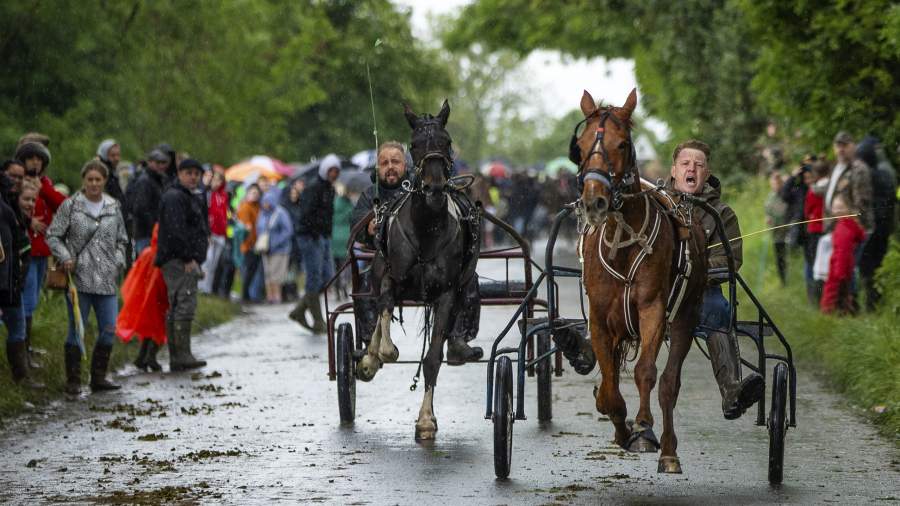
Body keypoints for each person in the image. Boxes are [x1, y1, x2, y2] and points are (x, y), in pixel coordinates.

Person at [667, 139, 764, 420]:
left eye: (698, 165)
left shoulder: (722, 214)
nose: (692, 169)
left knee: (718, 309)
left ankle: (732, 390)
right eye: (685, 164)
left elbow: (730, 261)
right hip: (657, 292)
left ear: (706, 174)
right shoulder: (656, 207)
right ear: (674, 170)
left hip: (701, 292)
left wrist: (692, 270)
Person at [47, 160, 128, 393]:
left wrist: (119, 260)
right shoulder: (71, 206)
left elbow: (123, 240)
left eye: (98, 179)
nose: (94, 183)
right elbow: (53, 235)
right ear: (84, 180)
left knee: (109, 328)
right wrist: (65, 256)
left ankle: (99, 377)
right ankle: (73, 380)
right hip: (78, 279)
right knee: (76, 329)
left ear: (104, 181)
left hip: (106, 279)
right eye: (90, 179)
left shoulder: (113, 206)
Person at [15, 137, 66, 370]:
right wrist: (29, 221)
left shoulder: (45, 183)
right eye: (30, 158)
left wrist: (43, 189)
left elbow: (62, 206)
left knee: (33, 300)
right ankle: (21, 352)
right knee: (25, 299)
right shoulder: (16, 182)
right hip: (25, 249)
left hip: (42, 251)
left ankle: (27, 346)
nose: (34, 163)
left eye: (39, 159)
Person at [155, 159, 209, 371]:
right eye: (189, 173)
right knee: (183, 303)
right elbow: (175, 231)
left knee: (180, 303)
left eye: (197, 173)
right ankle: (180, 355)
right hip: (179, 260)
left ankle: (179, 354)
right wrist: (188, 258)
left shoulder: (190, 195)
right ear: (179, 173)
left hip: (185, 258)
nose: (193, 177)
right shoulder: (175, 197)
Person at [289, 154, 340, 333]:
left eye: (336, 171)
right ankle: (318, 320)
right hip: (310, 237)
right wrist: (315, 230)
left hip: (323, 237)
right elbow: (306, 214)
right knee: (314, 276)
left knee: (327, 276)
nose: (334, 173)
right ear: (325, 170)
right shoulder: (313, 188)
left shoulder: (330, 189)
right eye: (331, 170)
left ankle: (300, 310)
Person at [0, 171, 42, 388]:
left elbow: (18, 246)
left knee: (18, 325)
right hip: (5, 280)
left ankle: (21, 377)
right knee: (17, 325)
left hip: (11, 280)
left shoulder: (10, 210)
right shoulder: (6, 209)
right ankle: (20, 378)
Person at [117, 224, 167, 372]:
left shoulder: (147, 254)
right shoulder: (159, 256)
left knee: (149, 323)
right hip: (156, 292)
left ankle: (143, 356)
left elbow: (136, 278)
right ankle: (150, 355)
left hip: (145, 296)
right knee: (159, 322)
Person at [856, 136, 897, 311]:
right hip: (883, 227)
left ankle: (872, 304)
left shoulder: (871, 175)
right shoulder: (885, 173)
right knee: (875, 265)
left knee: (868, 266)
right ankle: (874, 302)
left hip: (874, 228)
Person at [820, 195, 865, 315]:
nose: (837, 211)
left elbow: (842, 252)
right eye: (835, 207)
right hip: (846, 264)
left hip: (839, 266)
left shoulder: (843, 227)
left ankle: (831, 315)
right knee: (845, 292)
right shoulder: (850, 223)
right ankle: (847, 312)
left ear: (848, 208)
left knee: (833, 293)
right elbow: (861, 236)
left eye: (841, 207)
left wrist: (839, 271)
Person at [825, 132, 873, 232]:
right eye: (838, 146)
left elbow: (862, 203)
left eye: (845, 145)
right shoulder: (834, 167)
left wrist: (853, 225)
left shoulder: (859, 169)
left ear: (853, 146)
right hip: (834, 226)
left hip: (851, 228)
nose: (841, 149)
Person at [256, 189, 293, 303]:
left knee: (276, 274)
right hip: (265, 249)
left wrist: (275, 242)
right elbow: (259, 228)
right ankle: (269, 297)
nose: (265, 204)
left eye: (268, 202)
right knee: (268, 274)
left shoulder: (281, 213)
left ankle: (277, 296)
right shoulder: (262, 213)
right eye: (264, 202)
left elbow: (288, 231)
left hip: (280, 250)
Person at [129, 149, 169, 255]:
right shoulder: (145, 181)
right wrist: (154, 226)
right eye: (158, 163)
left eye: (163, 163)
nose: (161, 166)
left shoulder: (160, 180)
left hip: (154, 233)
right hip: (145, 234)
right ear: (150, 162)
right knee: (146, 267)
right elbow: (140, 208)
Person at [803, 159, 830, 304]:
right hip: (828, 229)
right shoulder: (832, 187)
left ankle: (816, 298)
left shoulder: (813, 191)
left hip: (814, 230)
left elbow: (807, 211)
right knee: (827, 264)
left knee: (815, 265)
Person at [200, 171, 228, 295]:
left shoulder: (223, 195)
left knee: (214, 265)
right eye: (215, 180)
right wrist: (207, 232)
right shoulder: (207, 194)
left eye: (219, 181)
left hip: (220, 233)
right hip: (210, 233)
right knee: (207, 261)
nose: (217, 183)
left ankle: (208, 289)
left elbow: (223, 214)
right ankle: (202, 288)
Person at [236, 184, 263, 302]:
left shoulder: (258, 207)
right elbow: (246, 227)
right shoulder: (245, 207)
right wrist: (250, 242)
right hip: (248, 244)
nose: (255, 195)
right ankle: (245, 295)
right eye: (252, 193)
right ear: (247, 194)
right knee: (248, 271)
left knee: (253, 270)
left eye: (257, 193)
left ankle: (247, 295)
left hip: (256, 243)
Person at [281, 178, 305, 301]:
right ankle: (285, 291)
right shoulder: (285, 207)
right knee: (286, 267)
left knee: (294, 268)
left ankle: (293, 290)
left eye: (296, 194)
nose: (294, 196)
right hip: (287, 241)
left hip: (297, 241)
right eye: (292, 193)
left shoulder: (301, 206)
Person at [764, 171, 788, 285]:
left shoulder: (785, 195)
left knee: (786, 255)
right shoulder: (770, 197)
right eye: (773, 183)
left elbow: (785, 211)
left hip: (786, 231)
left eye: (777, 183)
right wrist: (768, 218)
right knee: (779, 258)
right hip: (776, 232)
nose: (775, 186)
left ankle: (788, 277)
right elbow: (767, 211)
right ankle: (783, 280)